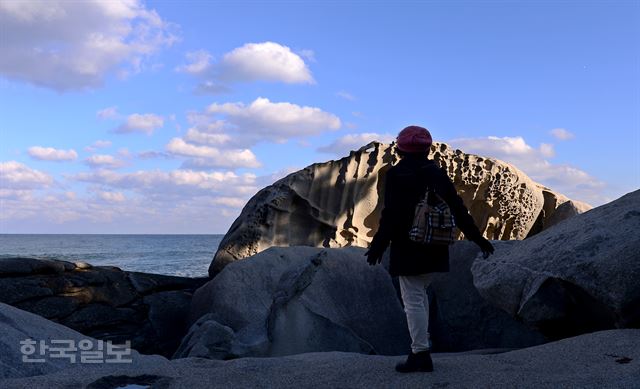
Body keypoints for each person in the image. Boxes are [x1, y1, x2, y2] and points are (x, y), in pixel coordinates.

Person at [365, 125, 494, 373]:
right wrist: (478, 238)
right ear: (428, 148)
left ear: (400, 148)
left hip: (408, 245)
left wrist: (378, 246)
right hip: (434, 243)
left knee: (412, 299)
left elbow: (390, 215)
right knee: (420, 293)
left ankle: (420, 353)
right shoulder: (436, 172)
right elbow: (458, 208)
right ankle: (422, 346)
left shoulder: (397, 174)